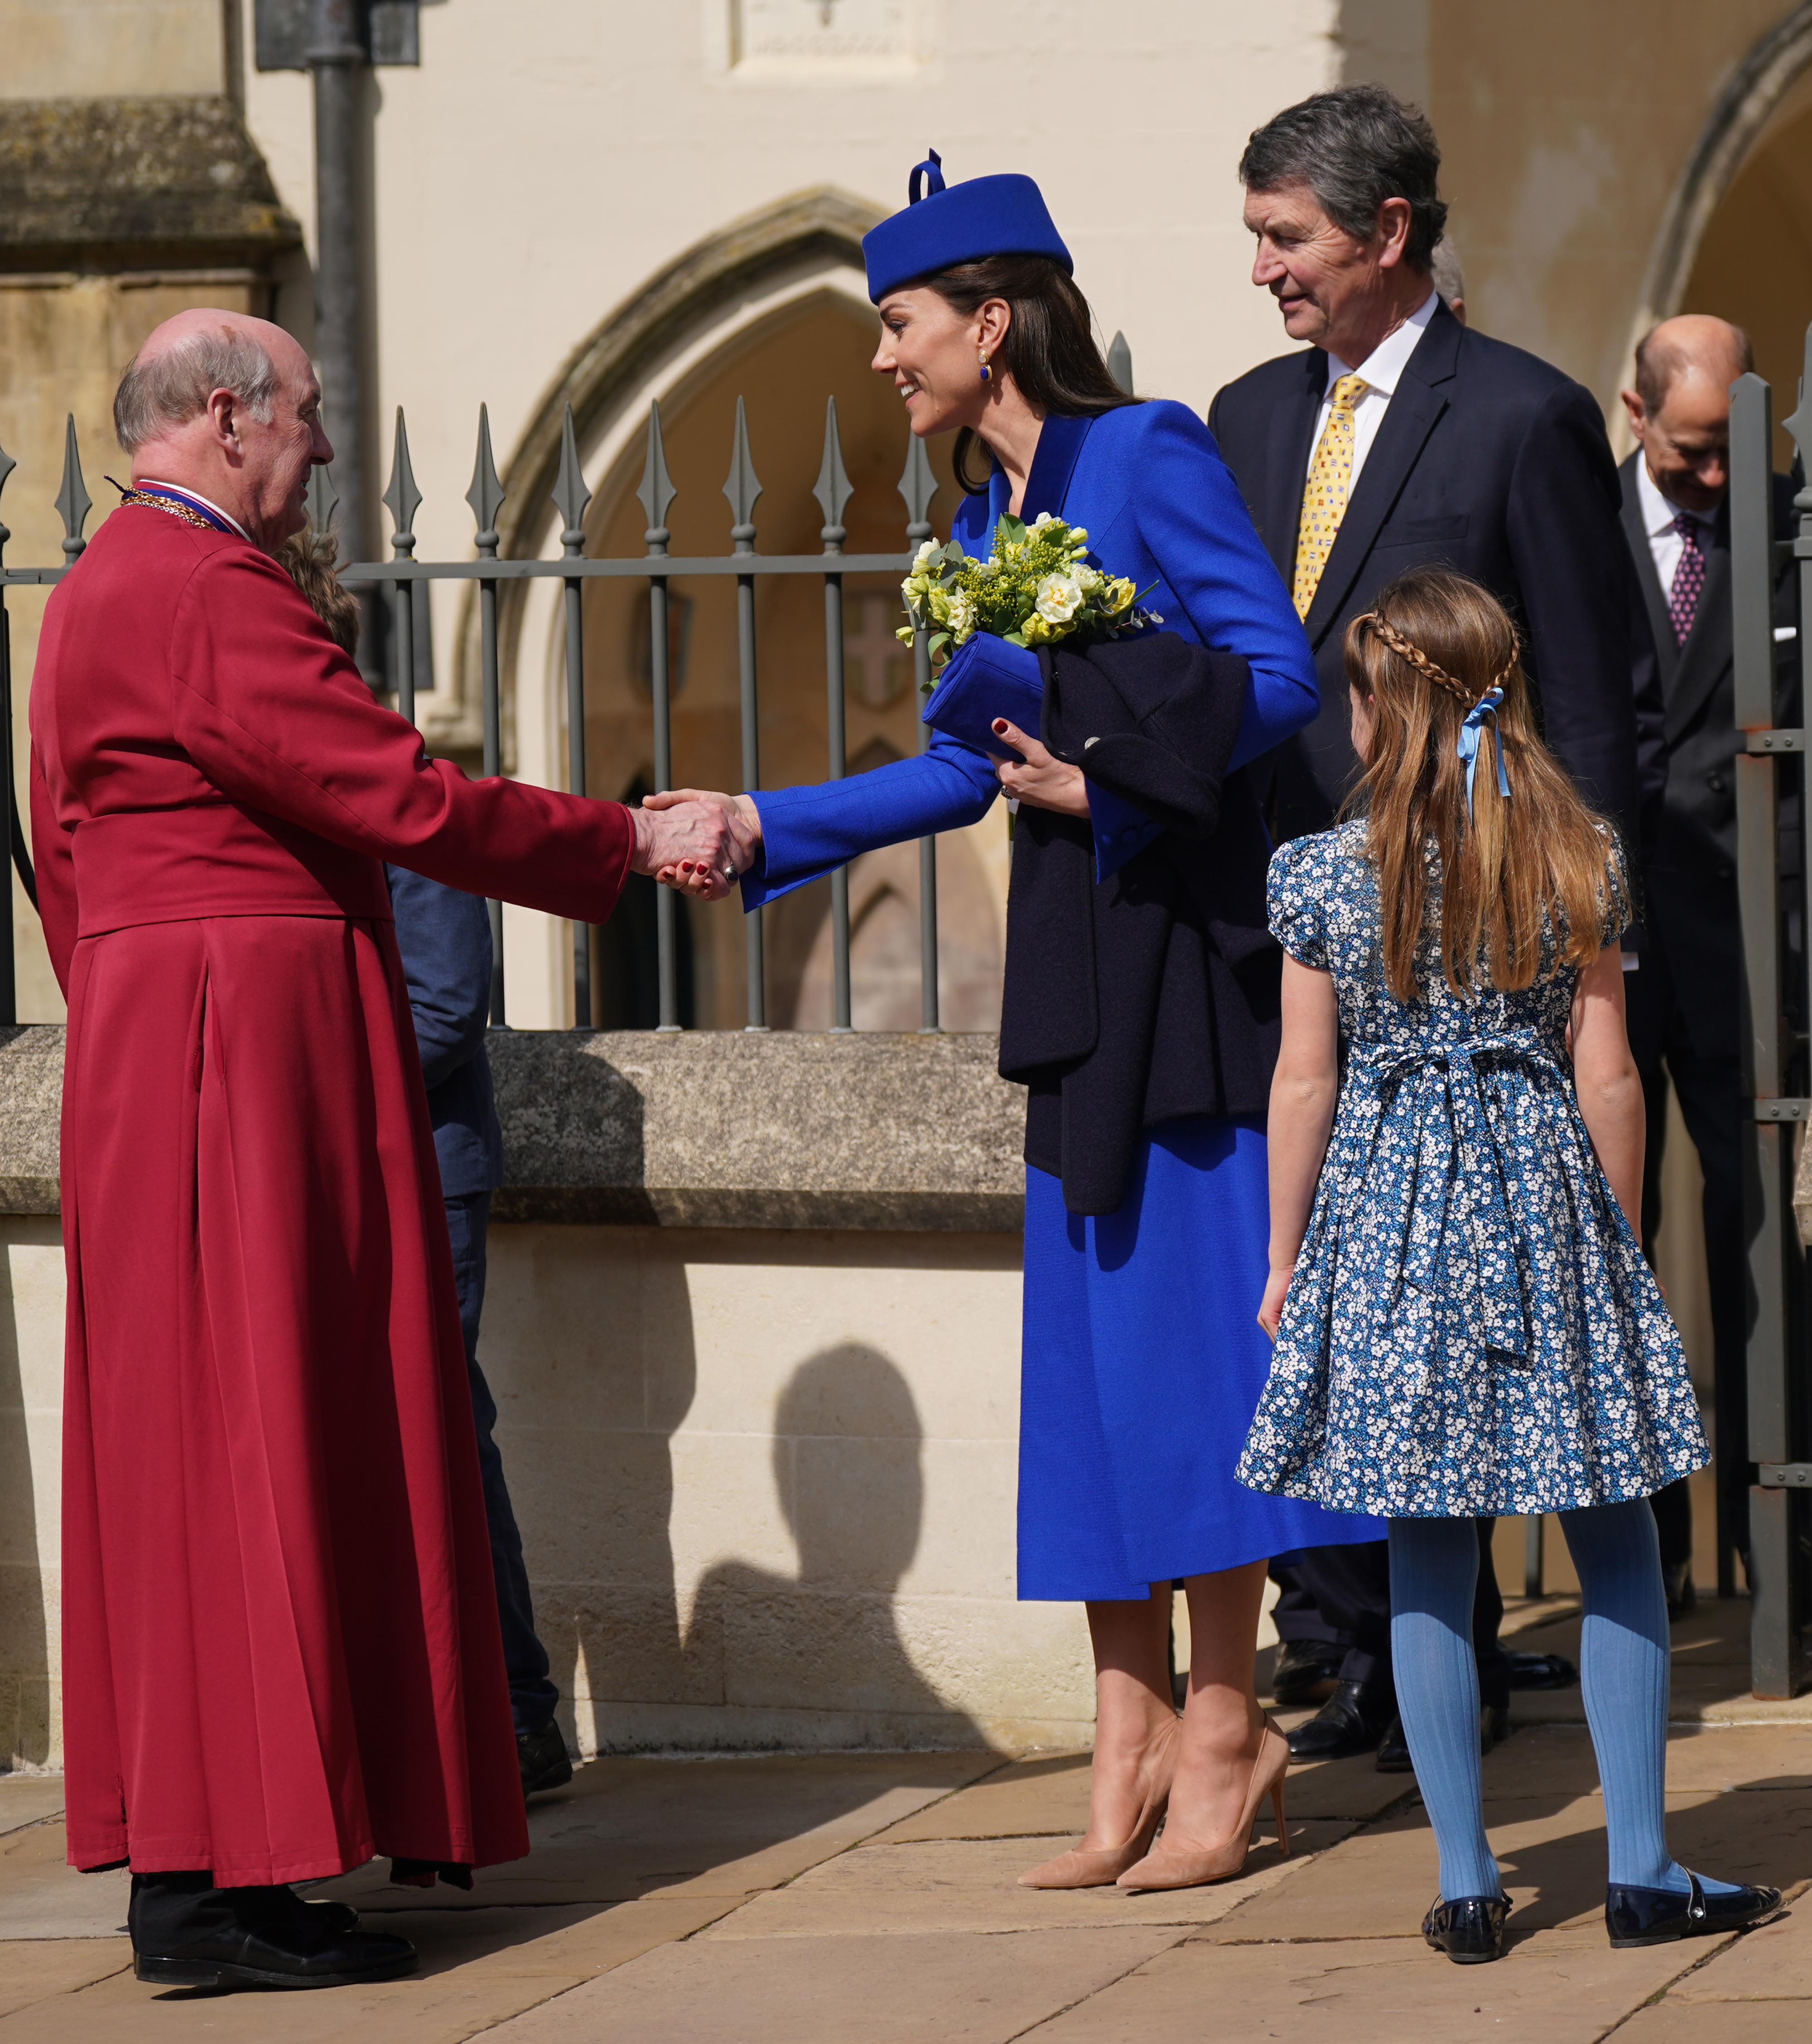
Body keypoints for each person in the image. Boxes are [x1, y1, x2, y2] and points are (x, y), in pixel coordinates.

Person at [650, 149, 1380, 1894]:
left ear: (993, 321)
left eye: (900, 327)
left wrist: (1101, 767)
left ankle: (1229, 1724)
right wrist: (764, 825)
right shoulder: (973, 531)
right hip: (1072, 975)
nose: (885, 362)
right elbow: (948, 773)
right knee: (1095, 1385)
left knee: (1197, 1370)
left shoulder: (1149, 452)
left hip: (1186, 964)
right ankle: (1124, 1731)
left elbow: (1278, 678)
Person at [29, 309, 740, 1992]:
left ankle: (228, 1865)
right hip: (241, 1048)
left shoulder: (93, 589)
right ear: (223, 415)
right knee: (258, 1439)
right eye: (309, 415)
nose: (326, 450)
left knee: (203, 1453)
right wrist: (625, 836)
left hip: (167, 1038)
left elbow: (66, 864)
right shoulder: (202, 586)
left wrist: (151, 1020)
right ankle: (224, 1886)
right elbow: (396, 794)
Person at [1239, 564, 1780, 1965]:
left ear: (1384, 713)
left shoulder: (1318, 872)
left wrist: (1287, 1255)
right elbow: (1608, 1077)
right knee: (1613, 1536)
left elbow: (1305, 1082)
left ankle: (1472, 1883)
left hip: (1393, 1208)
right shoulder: (1577, 856)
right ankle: (1645, 1871)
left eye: (1360, 696)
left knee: (1426, 1545)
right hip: (1542, 1197)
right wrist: (1610, 1239)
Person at [1210, 83, 1654, 1762]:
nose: (1263, 270)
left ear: (1388, 232)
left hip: (1479, 954)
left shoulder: (1522, 414)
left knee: (1471, 1311)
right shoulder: (1245, 418)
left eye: (1288, 237)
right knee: (1327, 1296)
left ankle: (1435, 1659)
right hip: (1289, 930)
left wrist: (1588, 933)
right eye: (1256, 236)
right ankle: (1349, 1642)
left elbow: (1596, 709)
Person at [279, 526, 573, 1797]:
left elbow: (447, 1012)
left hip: (427, 1168)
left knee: (449, 1424)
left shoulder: (408, 785)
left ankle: (514, 1714)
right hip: (336, 1165)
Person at [1616, 315, 1798, 1612]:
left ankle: (1775, 1555)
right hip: (1610, 946)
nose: (1721, 478)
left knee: (1760, 1250)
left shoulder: (1790, 520)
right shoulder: (1570, 520)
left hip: (1753, 941)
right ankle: (1647, 1571)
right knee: (1617, 1246)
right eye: (1693, 452)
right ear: (1635, 416)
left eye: (1738, 445)